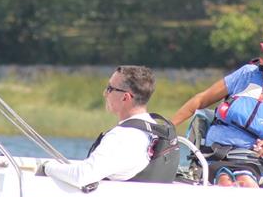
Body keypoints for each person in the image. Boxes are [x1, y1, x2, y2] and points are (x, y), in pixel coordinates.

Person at [171, 38, 263, 188]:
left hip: (250, 161)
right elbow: (201, 100)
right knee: (225, 181)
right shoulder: (247, 74)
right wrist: (169, 126)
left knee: (244, 181)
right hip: (213, 154)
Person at [40, 65, 177, 190]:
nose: (105, 93)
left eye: (110, 89)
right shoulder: (154, 130)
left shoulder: (122, 137)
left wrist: (46, 168)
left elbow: (82, 176)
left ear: (125, 97)